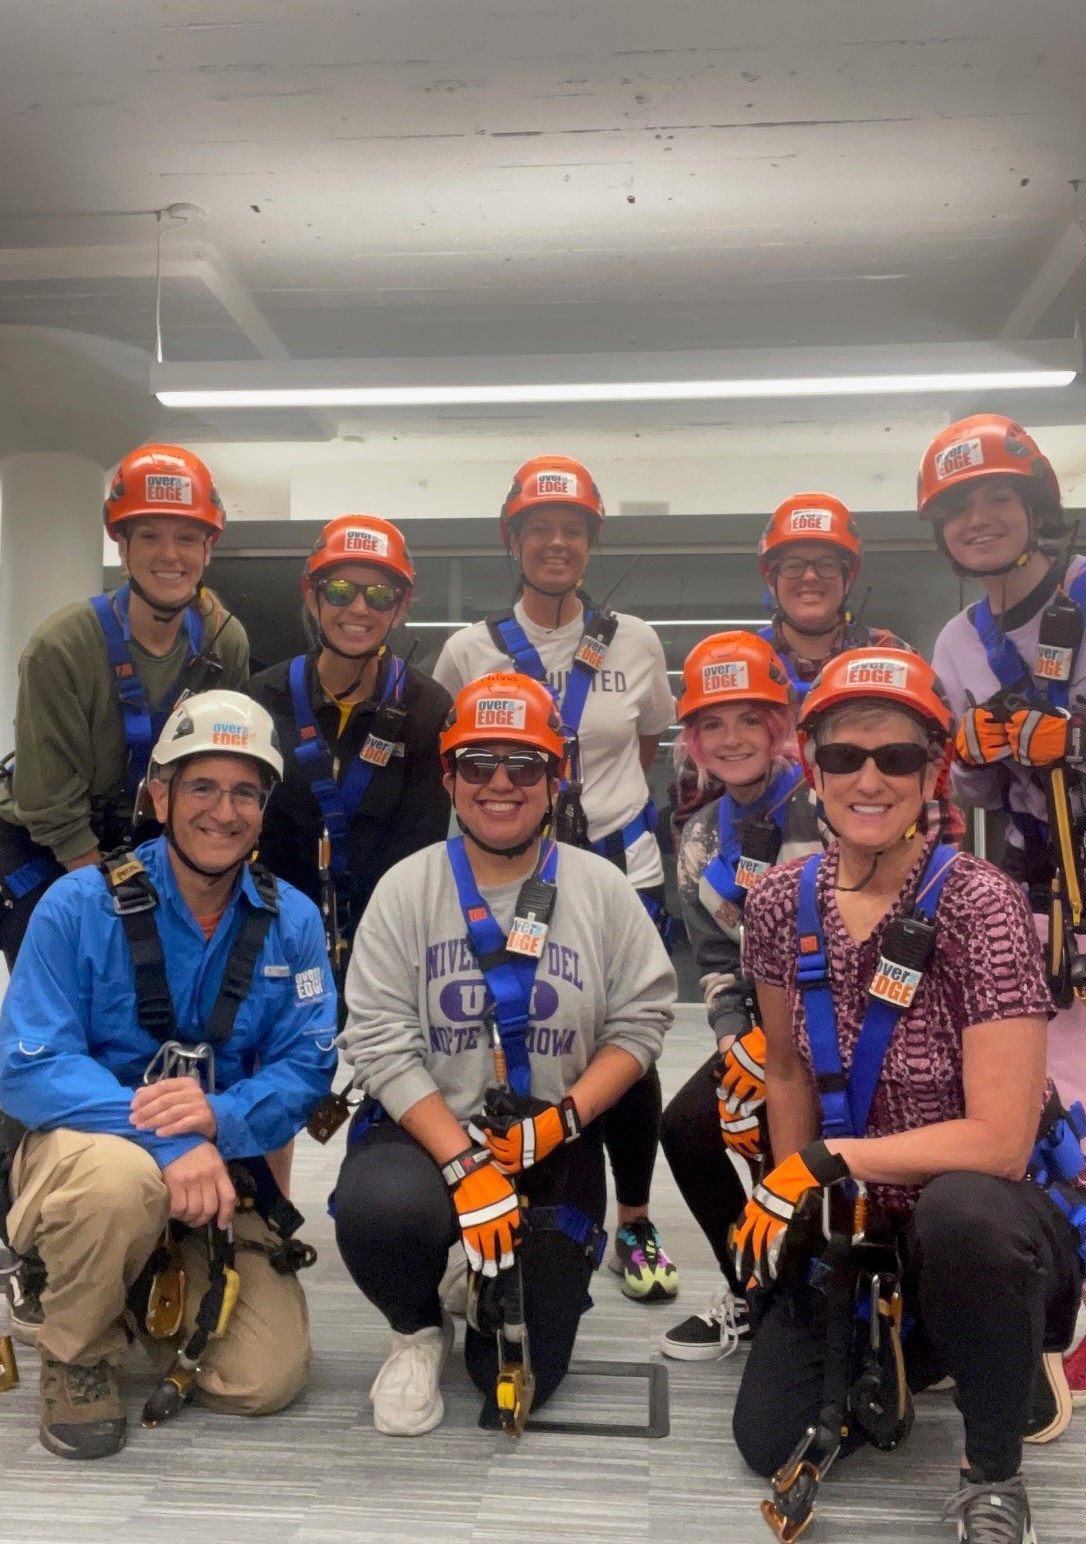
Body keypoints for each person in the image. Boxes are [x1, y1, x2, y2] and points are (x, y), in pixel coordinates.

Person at [730, 648, 1086, 1544]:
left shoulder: (982, 904)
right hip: (864, 1216)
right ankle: (939, 1342)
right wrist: (796, 1203)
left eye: (896, 757)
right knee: (769, 1438)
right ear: (812, 768)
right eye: (845, 756)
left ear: (933, 770)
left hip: (985, 1212)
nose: (870, 779)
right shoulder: (780, 902)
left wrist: (827, 1159)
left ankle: (993, 1468)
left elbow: (1000, 1143)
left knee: (963, 1216)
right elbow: (787, 1070)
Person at [0, 690, 337, 1460]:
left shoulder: (293, 922)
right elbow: (30, 1067)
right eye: (201, 786)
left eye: (245, 791)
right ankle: (77, 1354)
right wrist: (171, 1140)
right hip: (91, 1156)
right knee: (120, 1183)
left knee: (261, 1381)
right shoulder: (76, 906)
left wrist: (221, 1118)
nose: (224, 811)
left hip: (217, 1170)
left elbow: (307, 1063)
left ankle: (120, 1283)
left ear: (263, 808)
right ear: (160, 795)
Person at [332, 673, 676, 1435]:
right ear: (448, 776)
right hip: (430, 1135)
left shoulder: (602, 889)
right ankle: (417, 1329)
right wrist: (464, 1166)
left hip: (552, 1138)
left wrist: (562, 1121)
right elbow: (379, 1039)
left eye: (524, 765)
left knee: (513, 1382)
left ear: (555, 779)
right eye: (478, 763)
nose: (499, 784)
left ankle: (483, 1276)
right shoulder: (405, 890)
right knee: (382, 1210)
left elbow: (641, 1024)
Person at [433, 455, 680, 1303]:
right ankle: (520, 1181)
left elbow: (642, 745)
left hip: (618, 868)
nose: (557, 542)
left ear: (591, 542)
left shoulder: (636, 641)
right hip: (514, 873)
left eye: (573, 529)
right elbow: (458, 761)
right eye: (539, 528)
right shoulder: (468, 651)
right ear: (513, 541)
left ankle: (634, 1218)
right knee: (530, 1022)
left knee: (630, 1043)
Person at [923, 413, 1086, 1404]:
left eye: (999, 497)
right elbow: (984, 793)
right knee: (1069, 1103)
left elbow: (1070, 748)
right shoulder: (959, 641)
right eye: (960, 507)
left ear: (1037, 505)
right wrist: (980, 753)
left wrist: (1073, 738)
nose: (981, 519)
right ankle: (1085, 1298)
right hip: (1049, 893)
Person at [0, 443, 248, 970]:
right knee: (66, 998)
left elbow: (219, 767)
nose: (170, 555)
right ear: (121, 544)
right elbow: (51, 802)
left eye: (187, 538)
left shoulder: (222, 643)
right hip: (49, 843)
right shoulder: (63, 647)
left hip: (150, 836)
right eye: (150, 536)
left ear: (208, 548)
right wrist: (116, 905)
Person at [657, 632, 824, 1360]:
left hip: (848, 1024)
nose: (732, 739)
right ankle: (752, 1290)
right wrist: (734, 1040)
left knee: (800, 1146)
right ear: (694, 741)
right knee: (689, 1127)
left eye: (750, 719)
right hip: (758, 1026)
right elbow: (718, 960)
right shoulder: (699, 837)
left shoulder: (828, 805)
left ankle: (839, 1298)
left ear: (778, 725)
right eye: (713, 724)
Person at [245, 513, 451, 991]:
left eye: (379, 595)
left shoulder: (427, 707)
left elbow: (422, 849)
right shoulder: (263, 697)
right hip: (273, 930)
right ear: (311, 595)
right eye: (339, 591)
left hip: (385, 938)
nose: (359, 608)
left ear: (400, 607)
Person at [757, 491, 909, 697]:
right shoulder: (745, 661)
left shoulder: (892, 654)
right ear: (770, 579)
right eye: (793, 565)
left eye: (827, 564)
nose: (810, 576)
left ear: (848, 578)